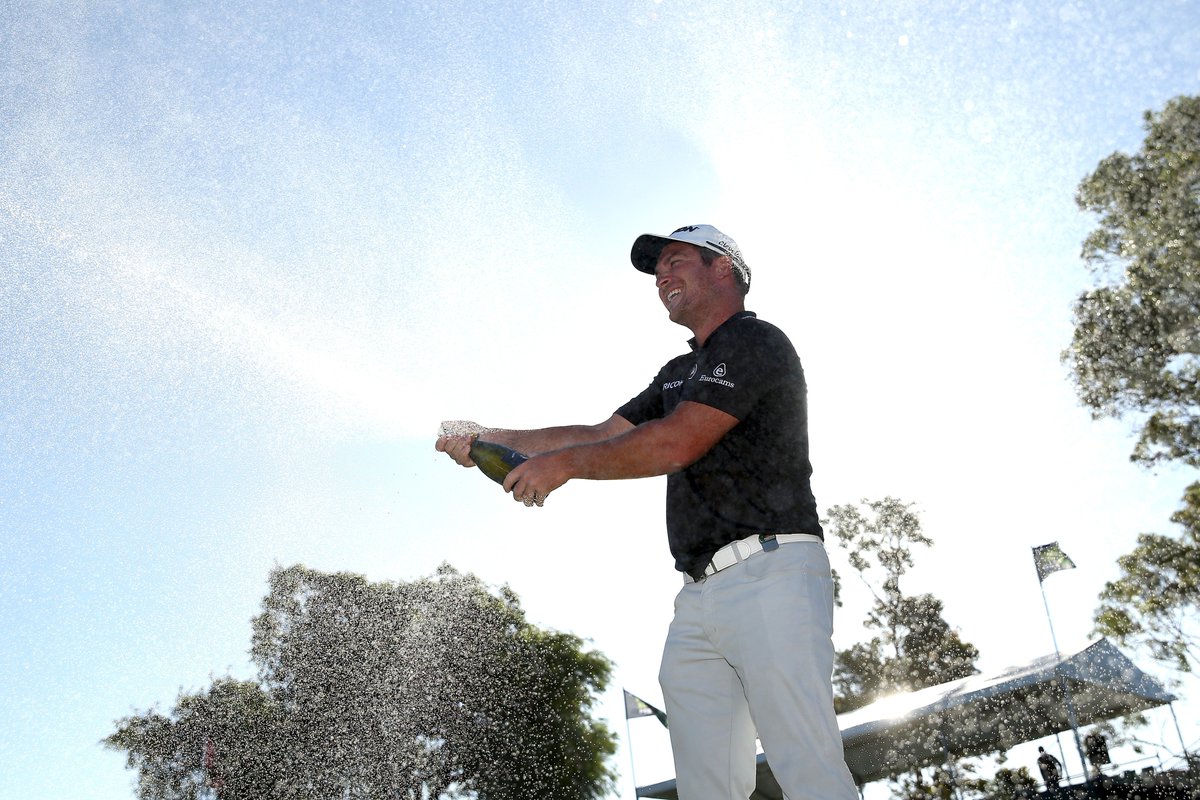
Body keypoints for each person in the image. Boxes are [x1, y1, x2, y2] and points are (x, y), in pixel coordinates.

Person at [435, 224, 858, 800]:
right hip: (698, 594)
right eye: (658, 269)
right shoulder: (676, 373)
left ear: (724, 269)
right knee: (705, 787)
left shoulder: (756, 342)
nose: (662, 276)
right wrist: (489, 435)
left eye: (677, 260)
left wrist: (566, 468)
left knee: (806, 764)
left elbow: (676, 442)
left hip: (773, 570)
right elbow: (599, 433)